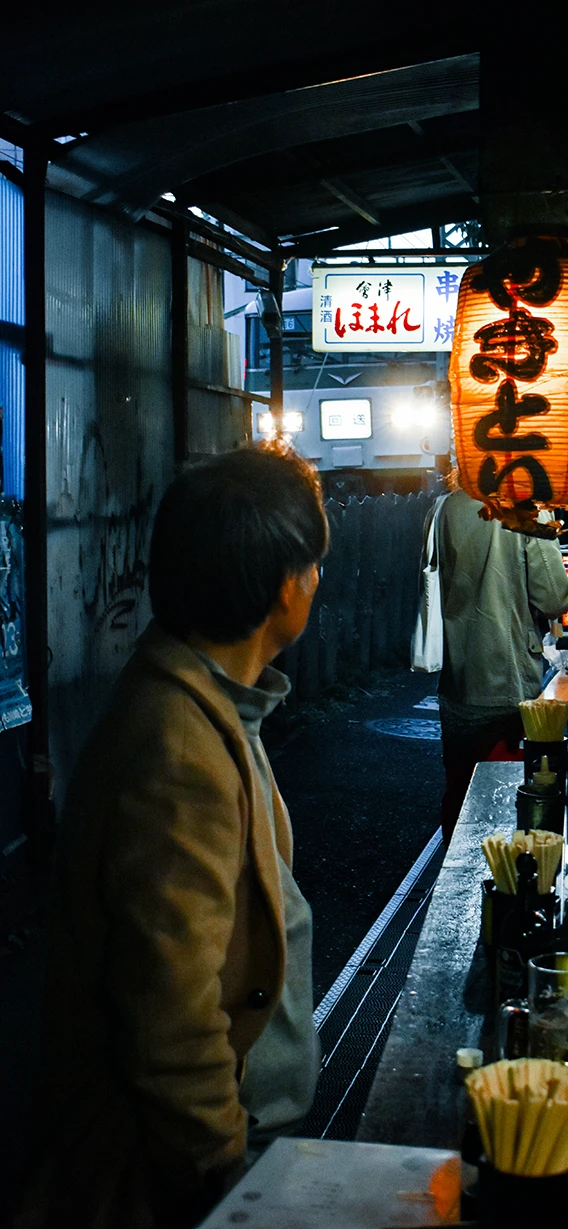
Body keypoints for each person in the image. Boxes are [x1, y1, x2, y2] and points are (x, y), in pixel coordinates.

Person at [13, 443, 329, 1229]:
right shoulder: (177, 748)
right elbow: (171, 1019)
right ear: (284, 586)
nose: (318, 582)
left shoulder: (208, 699)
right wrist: (224, 1173)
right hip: (173, 1177)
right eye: (314, 567)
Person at [435, 483, 568, 843]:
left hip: (458, 679)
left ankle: (455, 869)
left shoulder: (447, 507)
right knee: (505, 805)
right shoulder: (528, 508)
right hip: (508, 680)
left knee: (461, 798)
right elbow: (554, 597)